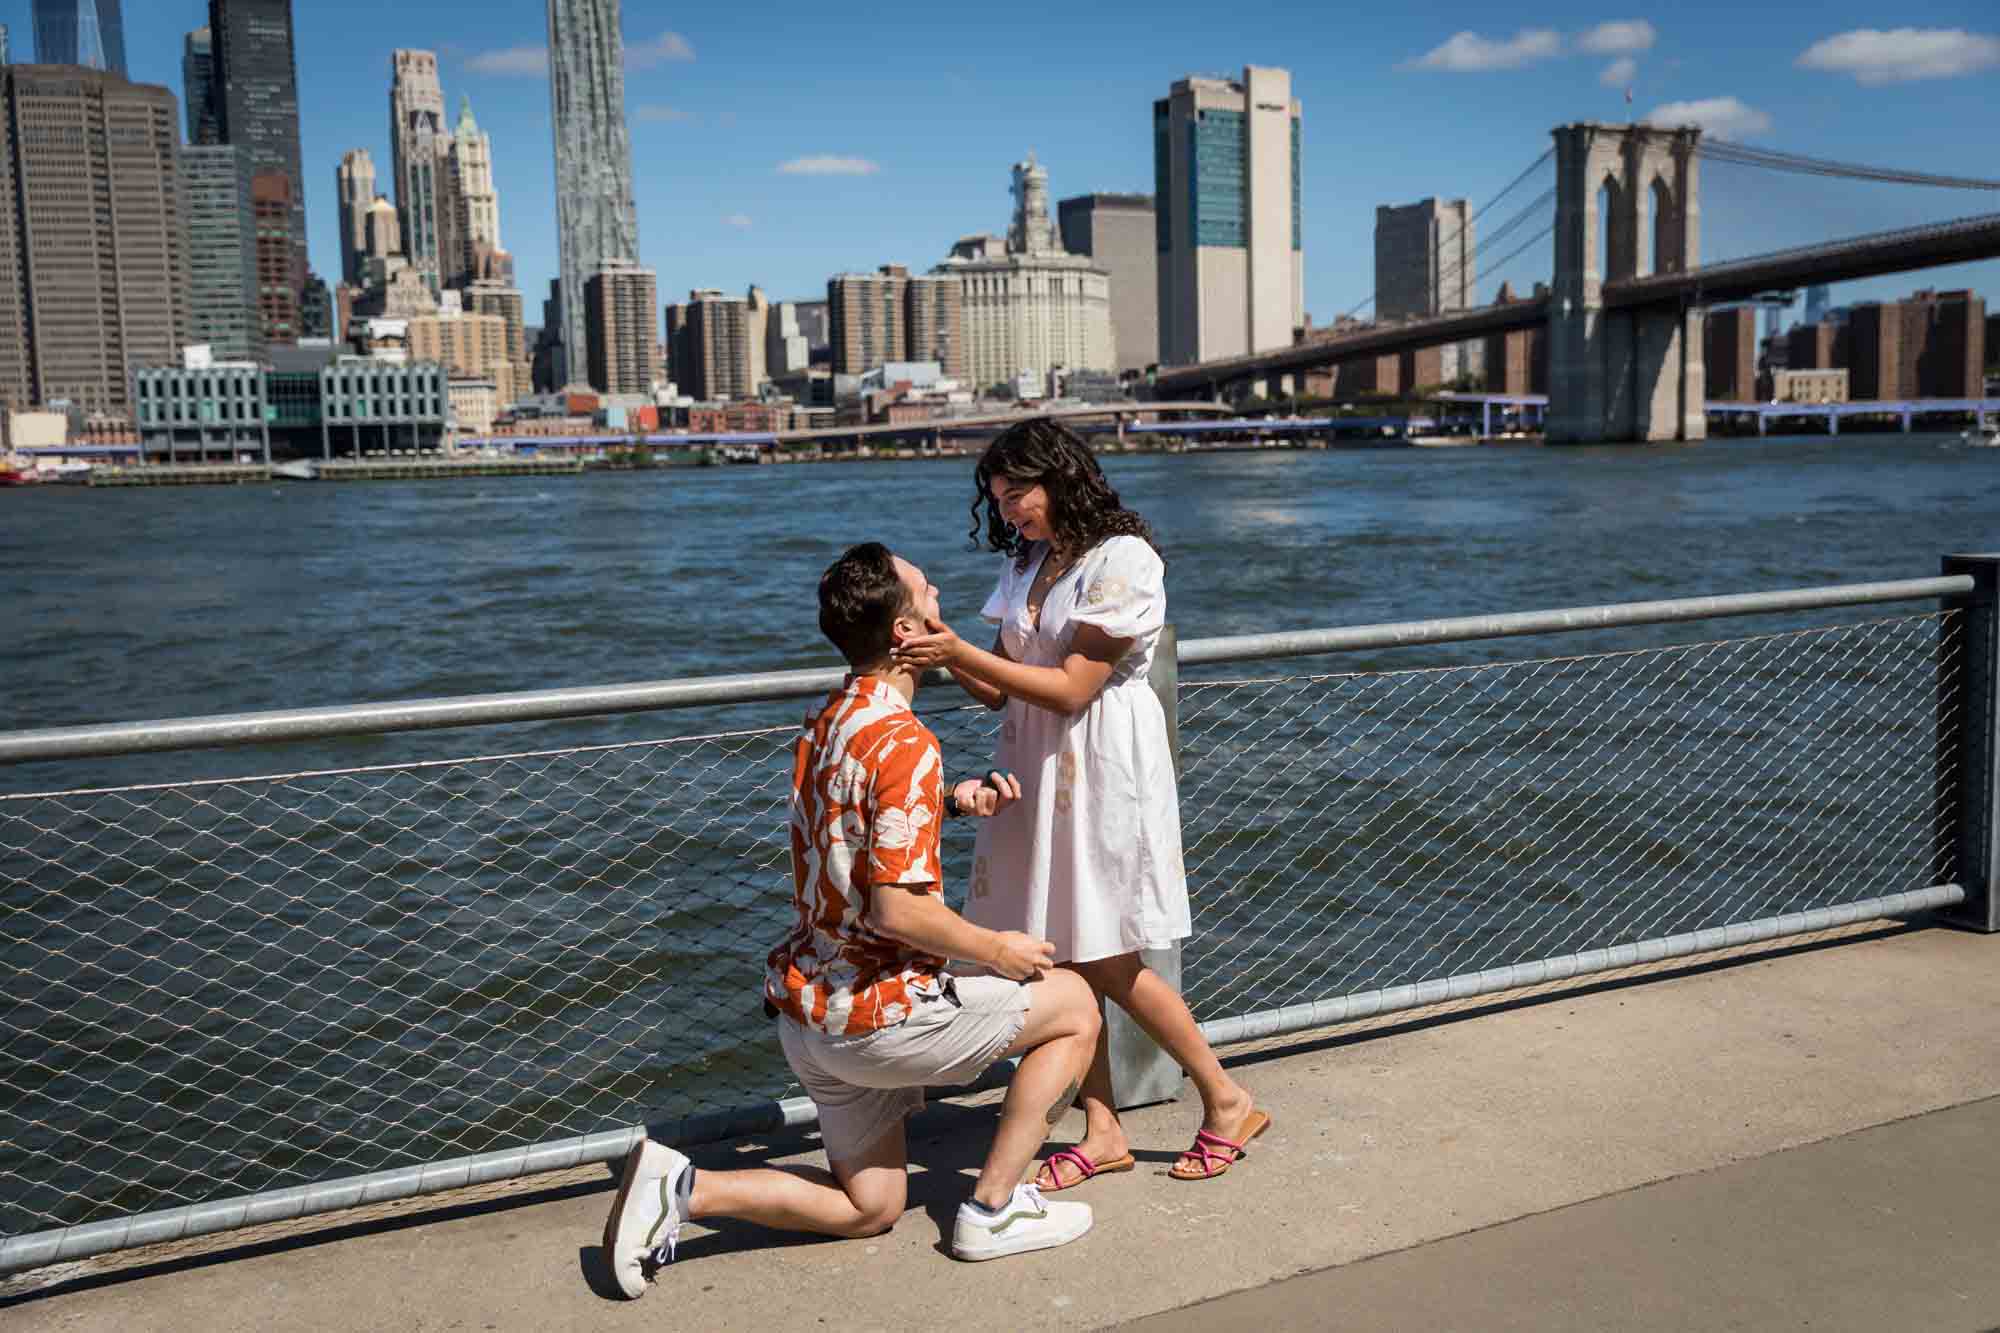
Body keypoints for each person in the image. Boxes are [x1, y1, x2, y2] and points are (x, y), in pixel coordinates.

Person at [604, 542, 1104, 1299]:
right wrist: (997, 949)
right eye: (925, 586)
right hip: (877, 1022)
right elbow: (896, 907)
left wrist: (945, 803)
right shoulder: (908, 742)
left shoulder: (829, 716)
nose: (938, 588)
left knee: (871, 1205)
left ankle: (683, 1188)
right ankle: (994, 1208)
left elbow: (848, 824)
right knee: (1073, 1006)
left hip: (811, 1020)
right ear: (906, 633)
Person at [891, 417, 1268, 1193]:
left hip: (1100, 766)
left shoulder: (1124, 560)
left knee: (1106, 954)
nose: (1008, 514)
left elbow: (1071, 686)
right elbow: (999, 688)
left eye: (1017, 494)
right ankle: (1103, 1128)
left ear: (1059, 477)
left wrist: (957, 650)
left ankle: (1226, 1096)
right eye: (997, 500)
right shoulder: (1030, 560)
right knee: (1055, 955)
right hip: (1034, 766)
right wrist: (943, 642)